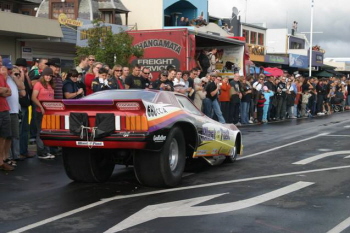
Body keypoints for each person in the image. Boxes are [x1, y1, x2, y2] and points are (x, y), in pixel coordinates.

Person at [31, 67, 55, 159]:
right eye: (47, 75)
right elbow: (34, 97)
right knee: (40, 131)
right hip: (40, 111)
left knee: (47, 132)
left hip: (49, 112)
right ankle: (41, 152)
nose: (48, 77)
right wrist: (40, 106)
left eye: (50, 76)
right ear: (43, 75)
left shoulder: (51, 85)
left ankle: (47, 151)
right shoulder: (38, 84)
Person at [0, 60, 13, 171]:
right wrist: (3, 90)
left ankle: (1, 161)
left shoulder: (1, 77)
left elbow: (9, 92)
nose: (0, 63)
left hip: (4, 109)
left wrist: (3, 90)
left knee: (4, 136)